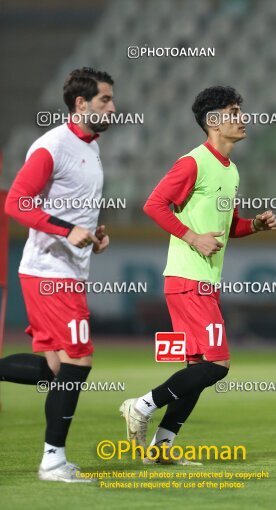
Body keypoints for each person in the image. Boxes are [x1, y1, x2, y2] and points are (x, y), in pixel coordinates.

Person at [120, 86, 276, 464]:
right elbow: (154, 204)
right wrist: (191, 236)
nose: (242, 118)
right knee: (217, 366)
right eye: (233, 111)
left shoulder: (231, 170)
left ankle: (160, 450)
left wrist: (253, 224)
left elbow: (227, 228)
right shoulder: (193, 163)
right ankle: (141, 405)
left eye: (241, 110)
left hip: (204, 282)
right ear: (213, 122)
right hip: (188, 281)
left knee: (198, 369)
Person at [0, 67, 114, 482]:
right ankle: (52, 460)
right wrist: (68, 231)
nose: (113, 107)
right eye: (105, 100)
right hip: (50, 273)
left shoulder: (91, 145)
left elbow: (73, 211)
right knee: (79, 360)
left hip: (67, 271)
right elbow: (16, 203)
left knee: (55, 368)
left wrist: (92, 236)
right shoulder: (53, 145)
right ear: (81, 104)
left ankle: (54, 459)